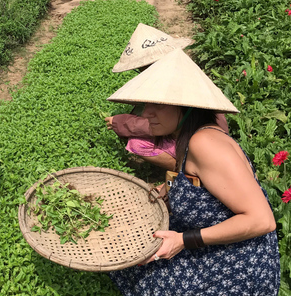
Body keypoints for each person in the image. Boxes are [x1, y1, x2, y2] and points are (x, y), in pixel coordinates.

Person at [106, 49, 280, 295]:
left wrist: (182, 241)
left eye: (158, 105)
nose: (146, 113)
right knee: (130, 256)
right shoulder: (186, 137)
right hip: (215, 242)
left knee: (147, 276)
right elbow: (198, 182)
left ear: (187, 106)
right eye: (147, 104)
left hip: (239, 264)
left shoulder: (205, 144)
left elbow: (262, 221)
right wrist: (168, 190)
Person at [106, 23, 207, 170]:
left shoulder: (178, 86)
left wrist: (121, 123)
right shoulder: (179, 75)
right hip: (187, 135)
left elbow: (155, 124)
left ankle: (185, 170)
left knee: (136, 143)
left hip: (194, 141)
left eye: (143, 69)